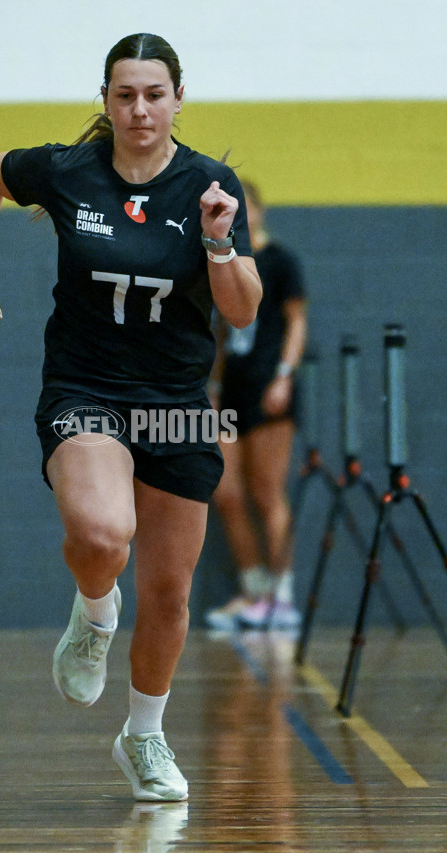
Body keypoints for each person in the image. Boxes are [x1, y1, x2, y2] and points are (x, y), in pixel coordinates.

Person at [0, 33, 262, 802]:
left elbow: (244, 310)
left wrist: (220, 242)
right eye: (124, 95)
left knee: (167, 592)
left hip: (179, 402)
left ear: (178, 100)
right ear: (106, 102)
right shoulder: (67, 169)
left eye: (154, 94)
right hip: (86, 388)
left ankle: (144, 736)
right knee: (100, 534)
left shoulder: (210, 185)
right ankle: (95, 614)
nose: (139, 109)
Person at [204, 181, 307, 632]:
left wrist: (284, 375)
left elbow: (296, 323)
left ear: (260, 209)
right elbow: (222, 334)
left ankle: (282, 597)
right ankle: (253, 591)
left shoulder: (280, 261)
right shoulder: (221, 261)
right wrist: (213, 386)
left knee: (267, 492)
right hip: (231, 393)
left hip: (270, 390)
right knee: (225, 493)